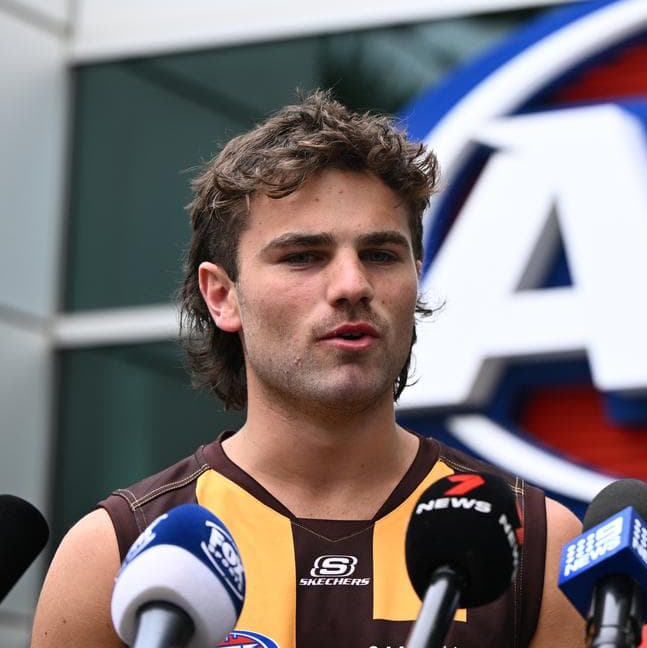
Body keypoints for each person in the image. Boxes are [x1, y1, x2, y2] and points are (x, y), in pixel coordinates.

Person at [31, 92, 585, 647]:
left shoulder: (537, 544)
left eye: (380, 254)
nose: (352, 285)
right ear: (222, 296)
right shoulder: (114, 551)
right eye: (303, 256)